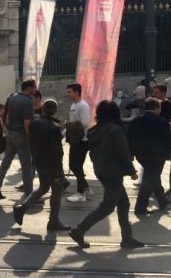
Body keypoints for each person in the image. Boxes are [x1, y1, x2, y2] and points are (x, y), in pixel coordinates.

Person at [69, 101, 144, 249]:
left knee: (123, 203)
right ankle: (79, 230)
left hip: (101, 170)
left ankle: (127, 237)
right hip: (113, 172)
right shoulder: (115, 130)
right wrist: (132, 172)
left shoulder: (94, 130)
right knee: (108, 206)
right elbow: (123, 153)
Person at [12, 100, 69, 231]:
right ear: (55, 111)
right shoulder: (54, 128)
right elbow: (57, 152)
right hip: (52, 165)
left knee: (43, 188)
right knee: (57, 191)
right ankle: (53, 221)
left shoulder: (34, 123)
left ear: (42, 109)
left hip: (39, 162)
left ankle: (22, 208)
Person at [0, 80, 37, 199]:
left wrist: (7, 128)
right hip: (22, 135)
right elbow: (27, 122)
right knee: (26, 166)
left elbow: (3, 114)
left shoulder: (12, 97)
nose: (35, 89)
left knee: (5, 163)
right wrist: (31, 138)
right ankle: (29, 195)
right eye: (34, 87)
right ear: (29, 87)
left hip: (11, 134)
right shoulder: (27, 101)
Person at [127, 98, 171, 214]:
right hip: (158, 156)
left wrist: (131, 153)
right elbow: (168, 139)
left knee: (153, 177)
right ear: (156, 108)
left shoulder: (136, 121)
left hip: (141, 155)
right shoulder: (162, 121)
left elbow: (129, 138)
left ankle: (162, 201)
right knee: (150, 178)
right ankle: (140, 207)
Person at [65, 83, 93, 203]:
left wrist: (70, 126)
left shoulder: (83, 105)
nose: (67, 94)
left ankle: (81, 193)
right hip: (75, 139)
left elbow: (86, 123)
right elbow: (74, 121)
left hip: (82, 140)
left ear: (76, 92)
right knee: (74, 166)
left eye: (69, 92)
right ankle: (85, 188)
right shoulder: (74, 105)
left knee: (76, 166)